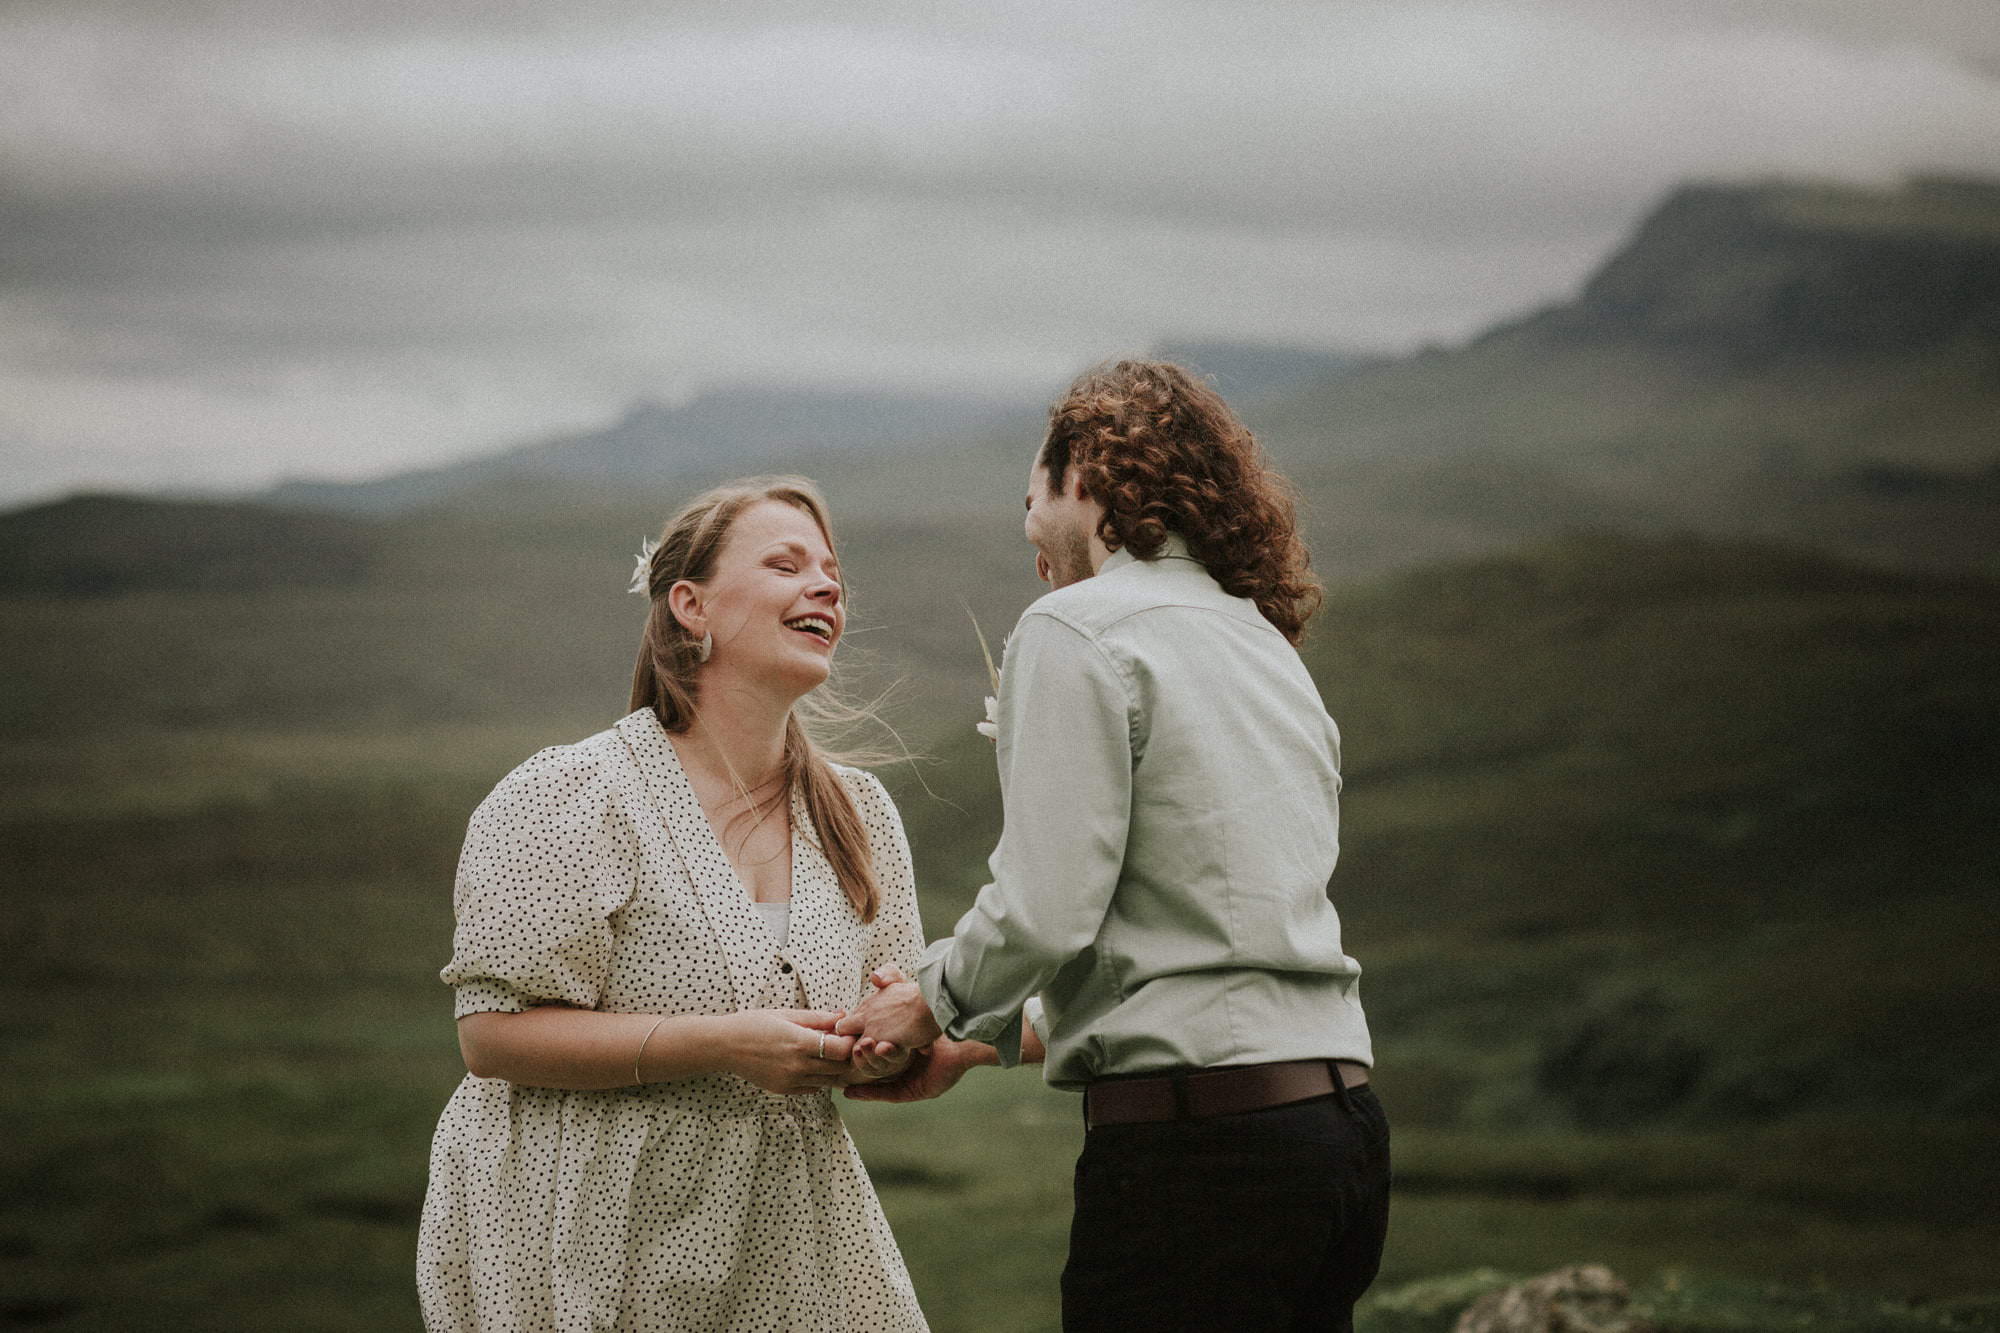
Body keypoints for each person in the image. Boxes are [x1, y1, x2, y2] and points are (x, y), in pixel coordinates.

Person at [840, 360, 1388, 1332]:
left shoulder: (1076, 628)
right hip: (1332, 1137)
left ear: (1085, 476)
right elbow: (1189, 943)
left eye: (1031, 498)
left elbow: (1049, 903)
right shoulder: (1263, 643)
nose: (1027, 533)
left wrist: (926, 1003)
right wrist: (978, 1038)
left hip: (1196, 1160)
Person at [417, 477, 929, 1332]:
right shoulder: (574, 794)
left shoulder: (861, 814)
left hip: (786, 1246)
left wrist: (876, 1048)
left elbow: (897, 1021)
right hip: (588, 1238)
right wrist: (728, 1043)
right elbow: (490, 1034)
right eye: (786, 563)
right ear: (691, 605)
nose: (828, 586)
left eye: (833, 572)